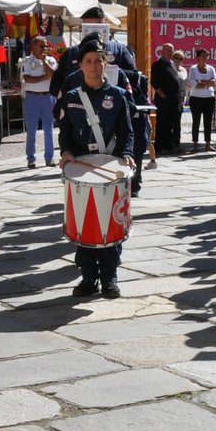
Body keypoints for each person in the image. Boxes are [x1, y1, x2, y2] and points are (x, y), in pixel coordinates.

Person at [57, 42, 137, 298]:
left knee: (111, 224)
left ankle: (110, 277)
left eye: (98, 61)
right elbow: (65, 132)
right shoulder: (70, 98)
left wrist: (127, 154)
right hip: (82, 168)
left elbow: (127, 131)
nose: (93, 66)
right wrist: (66, 152)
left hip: (111, 167)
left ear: (106, 64)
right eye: (88, 61)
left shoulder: (117, 95)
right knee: (85, 225)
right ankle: (88, 277)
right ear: (80, 65)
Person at [112, 44, 153, 197]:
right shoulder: (113, 77)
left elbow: (143, 98)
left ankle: (135, 183)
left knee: (138, 151)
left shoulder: (141, 78)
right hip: (120, 121)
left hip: (138, 119)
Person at [21, 35, 58, 168]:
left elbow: (53, 75)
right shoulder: (26, 60)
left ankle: (49, 158)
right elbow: (28, 79)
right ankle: (31, 158)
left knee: (49, 129)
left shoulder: (51, 60)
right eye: (42, 46)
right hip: (32, 97)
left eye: (46, 45)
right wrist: (44, 77)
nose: (45, 48)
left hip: (48, 97)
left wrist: (44, 62)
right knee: (31, 129)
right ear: (34, 46)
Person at [150, 43, 184, 154]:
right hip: (163, 99)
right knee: (162, 123)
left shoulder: (172, 64)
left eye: (171, 50)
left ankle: (170, 145)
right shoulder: (157, 64)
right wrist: (161, 94)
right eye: (168, 50)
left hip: (174, 99)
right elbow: (154, 82)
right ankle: (159, 147)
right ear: (163, 51)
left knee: (171, 123)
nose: (170, 52)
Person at [187, 47, 216, 151]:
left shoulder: (211, 68)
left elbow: (214, 82)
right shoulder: (193, 68)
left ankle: (208, 144)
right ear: (198, 57)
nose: (205, 58)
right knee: (196, 121)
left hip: (209, 98)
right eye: (203, 56)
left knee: (207, 122)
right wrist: (206, 82)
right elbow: (193, 83)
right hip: (196, 98)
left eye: (206, 56)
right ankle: (195, 144)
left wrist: (201, 81)